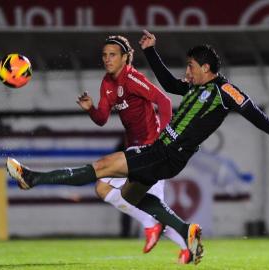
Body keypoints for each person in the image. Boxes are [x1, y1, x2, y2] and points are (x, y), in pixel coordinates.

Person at [7, 30, 269, 264]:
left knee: (102, 168)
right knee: (130, 194)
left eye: (192, 67)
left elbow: (259, 118)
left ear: (207, 68)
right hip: (171, 156)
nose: (188, 72)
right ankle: (185, 231)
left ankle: (32, 179)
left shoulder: (226, 92)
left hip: (165, 150)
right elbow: (168, 85)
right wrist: (152, 51)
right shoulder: (195, 87)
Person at [14, 35, 194, 264]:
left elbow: (165, 101)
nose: (107, 59)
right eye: (104, 55)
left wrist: (162, 138)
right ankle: (175, 237)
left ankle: (178, 240)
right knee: (111, 191)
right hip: (136, 151)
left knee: (144, 202)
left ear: (125, 58)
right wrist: (90, 109)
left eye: (112, 55)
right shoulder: (108, 83)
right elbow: (102, 119)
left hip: (151, 150)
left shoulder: (132, 78)